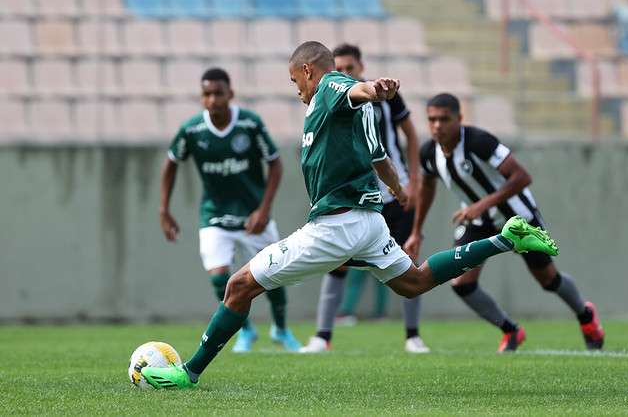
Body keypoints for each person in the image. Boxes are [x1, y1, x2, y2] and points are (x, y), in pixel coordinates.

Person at [140, 42, 558, 389]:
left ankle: (188, 372)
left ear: (307, 71)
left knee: (238, 285)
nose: (297, 91)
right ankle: (506, 239)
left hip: (335, 227)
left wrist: (374, 87)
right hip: (368, 223)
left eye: (294, 82)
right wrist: (397, 187)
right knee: (414, 282)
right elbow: (378, 156)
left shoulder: (328, 88)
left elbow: (353, 88)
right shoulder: (349, 118)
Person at [403, 93, 605, 352]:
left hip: (517, 217)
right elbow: (427, 187)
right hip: (477, 222)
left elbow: (522, 176)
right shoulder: (429, 152)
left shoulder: (478, 141)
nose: (437, 126)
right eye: (432, 120)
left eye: (444, 119)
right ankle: (511, 330)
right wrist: (416, 231)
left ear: (459, 119)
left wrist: (482, 204)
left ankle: (585, 315)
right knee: (462, 284)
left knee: (548, 280)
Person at [159, 67, 301, 353]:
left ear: (230, 94)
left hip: (253, 217)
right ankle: (245, 329)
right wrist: (164, 210)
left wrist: (264, 209)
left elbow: (274, 163)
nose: (212, 100)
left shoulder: (249, 124)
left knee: (275, 274)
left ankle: (281, 329)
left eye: (218, 94)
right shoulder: (192, 130)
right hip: (214, 214)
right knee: (219, 275)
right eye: (207, 94)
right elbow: (171, 163)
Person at [300, 43, 430, 354]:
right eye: (339, 69)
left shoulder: (379, 96)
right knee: (338, 264)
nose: (344, 74)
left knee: (408, 261)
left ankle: (412, 335)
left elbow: (410, 135)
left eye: (350, 69)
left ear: (360, 67)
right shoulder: (333, 97)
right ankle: (323, 335)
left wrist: (411, 180)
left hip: (393, 192)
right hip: (357, 195)